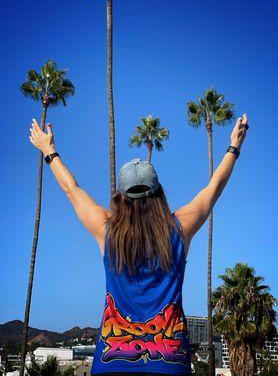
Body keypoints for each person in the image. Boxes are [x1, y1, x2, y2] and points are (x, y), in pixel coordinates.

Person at [29, 113, 249, 376]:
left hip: (112, 361)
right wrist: (234, 146)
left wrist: (49, 151)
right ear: (159, 193)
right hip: (169, 362)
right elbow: (214, 188)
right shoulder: (178, 229)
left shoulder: (107, 229)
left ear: (120, 198)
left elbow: (72, 189)